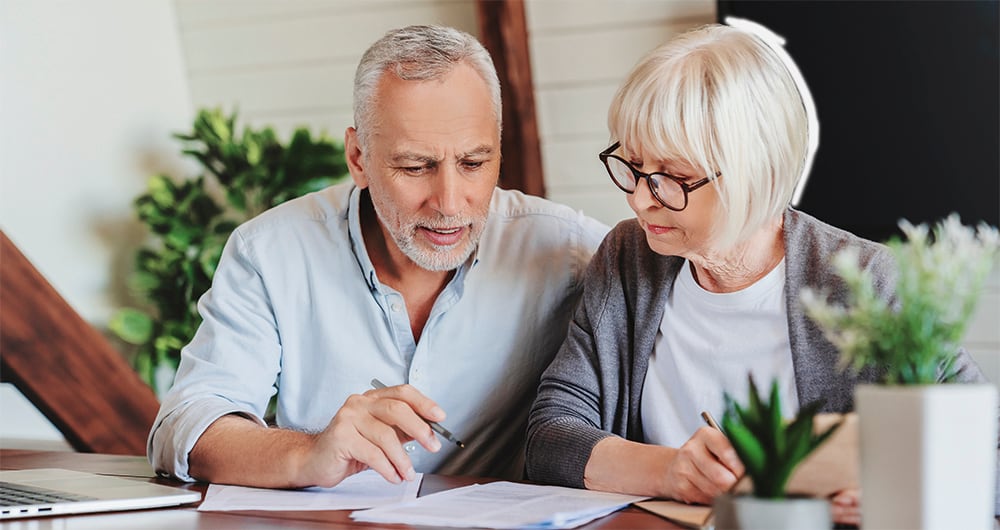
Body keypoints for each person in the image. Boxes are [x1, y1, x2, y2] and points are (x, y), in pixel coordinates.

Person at [524, 21, 996, 527]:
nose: (640, 198)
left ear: (755, 173)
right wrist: (669, 470)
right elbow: (550, 436)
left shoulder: (862, 281)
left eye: (673, 178)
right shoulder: (627, 258)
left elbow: (985, 446)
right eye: (634, 167)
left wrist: (897, 488)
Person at [148, 25, 608, 489]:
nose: (449, 203)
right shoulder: (270, 253)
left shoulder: (568, 250)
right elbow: (186, 425)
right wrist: (309, 454)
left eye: (474, 163)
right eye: (415, 166)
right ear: (358, 158)